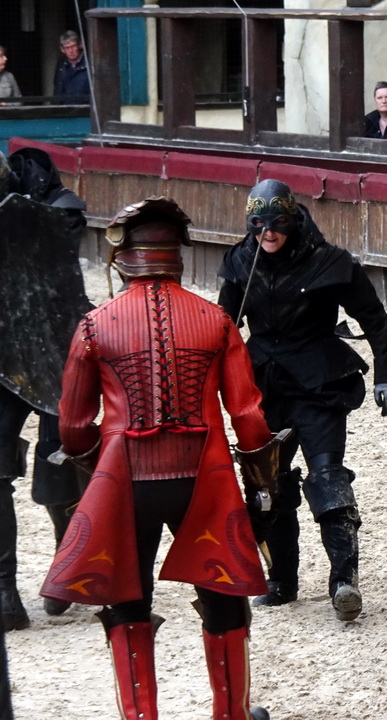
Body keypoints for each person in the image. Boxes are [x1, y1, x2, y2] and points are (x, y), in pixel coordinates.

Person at [41, 197, 281, 720]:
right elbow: (249, 418)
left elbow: (73, 426)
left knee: (127, 600)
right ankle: (231, 715)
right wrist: (264, 482)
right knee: (223, 596)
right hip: (205, 479)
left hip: (125, 482)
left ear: (123, 257)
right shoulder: (216, 321)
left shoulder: (94, 325)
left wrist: (92, 466)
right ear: (177, 254)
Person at [218, 179, 387, 621]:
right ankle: (281, 578)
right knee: (268, 485)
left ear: (293, 219)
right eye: (259, 223)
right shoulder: (241, 261)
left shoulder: (330, 262)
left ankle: (343, 580)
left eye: (277, 222)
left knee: (326, 476)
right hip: (263, 385)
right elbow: (223, 328)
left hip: (319, 382)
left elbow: (374, 318)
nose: (269, 232)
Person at [0, 148, 91, 629]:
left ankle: (66, 565)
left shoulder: (55, 215)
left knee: (61, 464)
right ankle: (5, 590)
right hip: (7, 361)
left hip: (57, 353)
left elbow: (63, 283)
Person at [52, 30, 90, 102]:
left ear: (80, 45)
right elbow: (57, 90)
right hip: (66, 111)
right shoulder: (61, 66)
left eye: (73, 46)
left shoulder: (89, 64)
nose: (71, 51)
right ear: (62, 49)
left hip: (85, 110)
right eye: (67, 48)